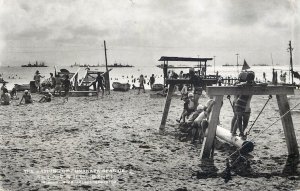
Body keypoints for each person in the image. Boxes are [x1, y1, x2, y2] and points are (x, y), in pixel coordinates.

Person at [231, 71, 255, 139]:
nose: (250, 81)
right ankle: (239, 133)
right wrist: (242, 84)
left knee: (245, 122)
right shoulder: (243, 84)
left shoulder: (253, 84)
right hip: (239, 104)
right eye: (248, 80)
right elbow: (237, 86)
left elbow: (263, 85)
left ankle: (241, 133)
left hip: (246, 105)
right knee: (239, 119)